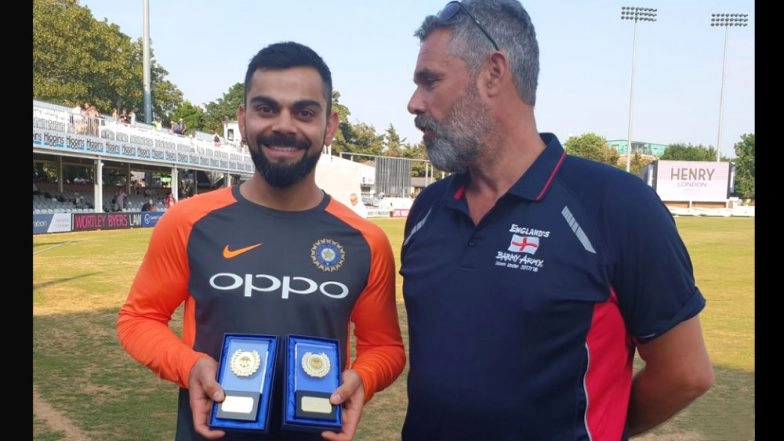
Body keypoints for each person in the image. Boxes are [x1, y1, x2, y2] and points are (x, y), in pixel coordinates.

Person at [399, 1, 714, 440]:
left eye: (429, 81)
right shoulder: (428, 209)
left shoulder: (617, 205)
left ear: (493, 73)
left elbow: (686, 373)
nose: (414, 103)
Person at [117, 41, 406, 441]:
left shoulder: (365, 240)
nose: (284, 125)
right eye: (266, 109)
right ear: (243, 118)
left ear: (330, 126)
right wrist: (189, 365)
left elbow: (385, 346)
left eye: (304, 112)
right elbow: (138, 319)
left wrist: (364, 377)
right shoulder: (189, 221)